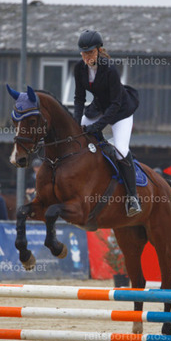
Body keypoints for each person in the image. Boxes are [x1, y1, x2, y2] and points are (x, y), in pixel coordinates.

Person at [73, 29, 141, 217]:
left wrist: (97, 127)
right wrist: (75, 123)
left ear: (99, 50)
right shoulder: (79, 68)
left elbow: (115, 104)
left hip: (120, 112)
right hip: (99, 108)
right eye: (83, 53)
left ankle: (132, 197)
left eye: (90, 52)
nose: (86, 57)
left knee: (121, 150)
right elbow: (79, 98)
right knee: (76, 137)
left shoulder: (110, 69)